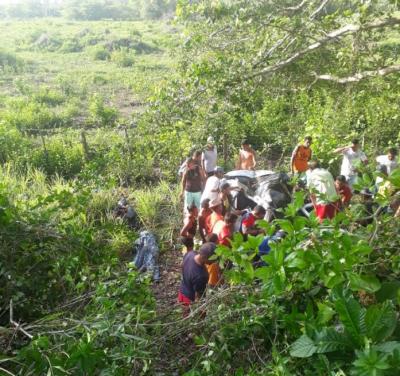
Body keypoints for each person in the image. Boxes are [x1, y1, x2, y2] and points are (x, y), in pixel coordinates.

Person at [178, 242, 217, 312]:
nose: (214, 261)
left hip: (182, 291)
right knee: (189, 319)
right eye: (213, 259)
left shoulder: (190, 253)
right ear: (205, 257)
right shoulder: (201, 275)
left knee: (184, 315)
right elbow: (199, 297)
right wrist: (202, 312)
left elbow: (182, 265)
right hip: (190, 299)